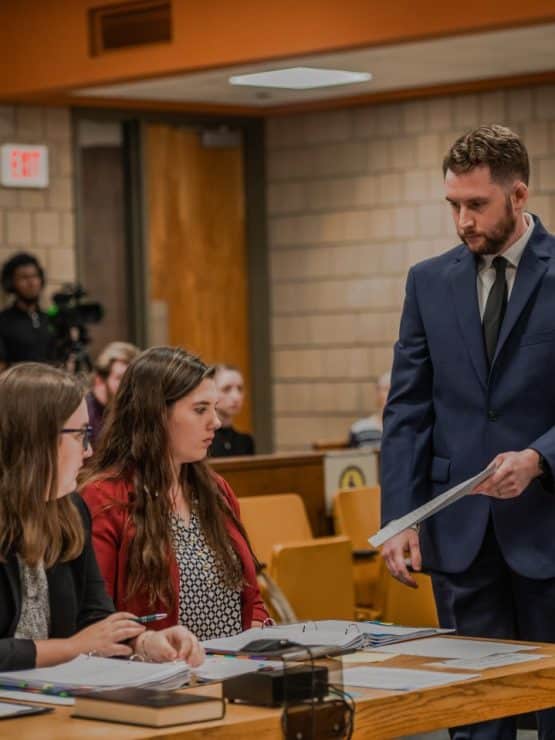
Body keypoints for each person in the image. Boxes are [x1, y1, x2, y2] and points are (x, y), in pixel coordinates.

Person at [380, 124, 555, 740]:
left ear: (518, 194)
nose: (462, 221)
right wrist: (400, 518)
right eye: (453, 204)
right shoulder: (428, 281)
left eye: (476, 204)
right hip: (458, 535)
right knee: (475, 717)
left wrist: (539, 456)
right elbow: (407, 410)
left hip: (547, 527)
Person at [0, 363, 204, 671]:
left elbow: (96, 618)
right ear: (37, 440)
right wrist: (71, 648)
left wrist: (143, 643)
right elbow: (79, 643)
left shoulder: (69, 510)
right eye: (80, 435)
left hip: (53, 694)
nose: (88, 450)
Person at [81, 347, 269, 641]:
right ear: (156, 414)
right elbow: (95, 618)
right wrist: (141, 643)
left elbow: (251, 595)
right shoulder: (104, 497)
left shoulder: (216, 489)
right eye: (200, 409)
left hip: (236, 666)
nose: (216, 422)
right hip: (158, 674)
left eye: (214, 408)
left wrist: (258, 630)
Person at [0, 252, 56, 370]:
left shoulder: (49, 319)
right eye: (24, 277)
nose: (31, 283)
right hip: (16, 385)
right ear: (11, 283)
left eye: (35, 276)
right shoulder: (3, 321)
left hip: (51, 384)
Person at [87, 341, 140, 445]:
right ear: (99, 380)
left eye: (132, 379)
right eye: (120, 378)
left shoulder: (130, 410)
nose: (129, 386)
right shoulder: (85, 415)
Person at [210, 364, 255, 457]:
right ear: (210, 392)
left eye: (240, 389)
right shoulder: (202, 441)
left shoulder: (245, 441)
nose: (236, 397)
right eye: (226, 389)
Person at [349, 371, 391, 448]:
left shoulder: (407, 428)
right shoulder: (359, 429)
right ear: (378, 393)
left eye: (394, 390)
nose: (390, 394)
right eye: (386, 389)